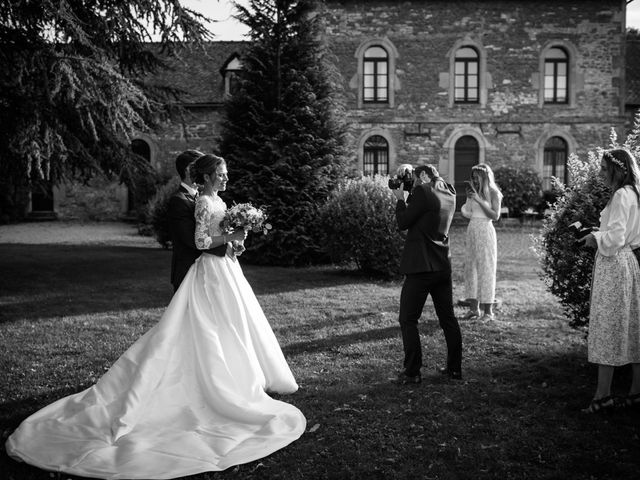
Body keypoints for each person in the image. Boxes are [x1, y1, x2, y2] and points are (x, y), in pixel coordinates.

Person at [6, 154, 306, 478]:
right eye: (220, 173)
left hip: (225, 269)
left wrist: (235, 245)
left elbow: (215, 237)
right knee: (204, 327)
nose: (225, 178)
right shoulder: (201, 201)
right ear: (205, 177)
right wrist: (228, 239)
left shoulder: (213, 200)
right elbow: (200, 241)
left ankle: (244, 373)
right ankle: (218, 382)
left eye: (226, 173)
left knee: (232, 323)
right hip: (207, 272)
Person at [579, 148, 640, 413]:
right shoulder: (635, 193)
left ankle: (602, 396)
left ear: (616, 170)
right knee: (632, 327)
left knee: (607, 326)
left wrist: (595, 238)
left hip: (614, 264)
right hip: (630, 262)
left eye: (604, 169)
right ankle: (636, 391)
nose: (600, 173)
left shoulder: (619, 196)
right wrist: (600, 233)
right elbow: (623, 233)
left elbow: (614, 239)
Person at [392, 164, 463, 384]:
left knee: (408, 319)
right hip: (442, 263)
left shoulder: (423, 191)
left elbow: (403, 222)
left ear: (423, 175)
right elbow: (426, 213)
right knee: (448, 318)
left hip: (421, 265)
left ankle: (412, 372)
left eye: (416, 177)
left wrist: (400, 197)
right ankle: (454, 369)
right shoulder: (450, 191)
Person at [167, 149, 227, 292]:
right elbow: (192, 241)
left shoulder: (206, 198)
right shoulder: (178, 200)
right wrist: (227, 240)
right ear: (189, 170)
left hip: (208, 268)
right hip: (188, 270)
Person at [459, 163, 503, 321]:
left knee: (486, 269)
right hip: (472, 230)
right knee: (471, 268)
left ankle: (488, 312)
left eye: (476, 177)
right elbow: (469, 213)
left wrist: (478, 199)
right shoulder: (474, 192)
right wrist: (467, 204)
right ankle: (474, 309)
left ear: (484, 177)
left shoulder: (493, 192)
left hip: (485, 231)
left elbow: (495, 215)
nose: (474, 180)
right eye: (472, 178)